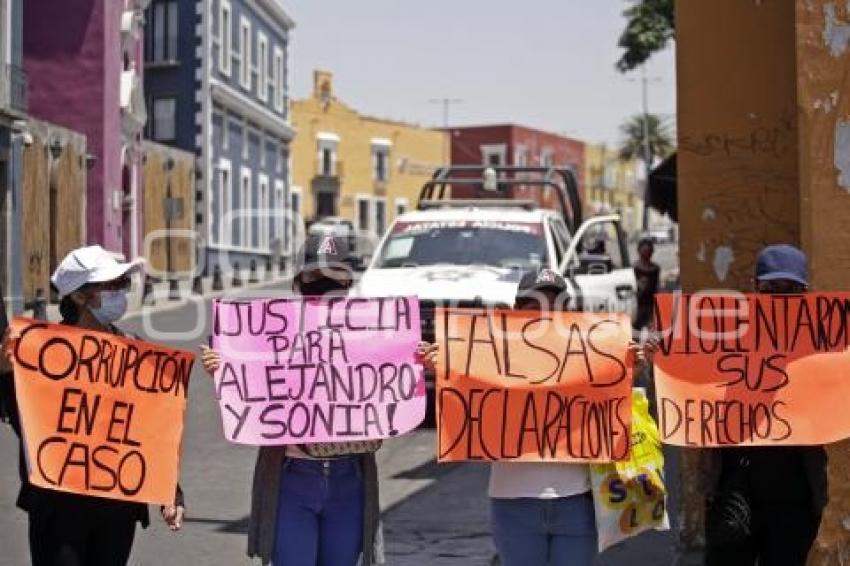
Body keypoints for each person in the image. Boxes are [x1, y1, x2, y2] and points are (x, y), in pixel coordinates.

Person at [200, 234, 437, 566]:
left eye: (336, 275)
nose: (326, 283)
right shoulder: (271, 333)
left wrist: (421, 361)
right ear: (298, 281)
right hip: (290, 478)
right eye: (315, 275)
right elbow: (248, 382)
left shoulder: (371, 331)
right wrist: (224, 371)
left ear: (349, 280)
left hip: (350, 479)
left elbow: (392, 379)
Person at [0, 245, 184, 566]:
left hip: (117, 508)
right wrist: (6, 374)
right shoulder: (43, 356)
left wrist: (170, 490)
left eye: (122, 285)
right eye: (110, 285)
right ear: (79, 296)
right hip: (58, 508)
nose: (120, 293)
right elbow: (24, 423)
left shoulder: (135, 351)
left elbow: (150, 432)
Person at [489, 268, 647, 566]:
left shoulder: (585, 355)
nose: (545, 317)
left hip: (577, 502)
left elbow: (608, 416)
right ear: (515, 313)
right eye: (534, 307)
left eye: (555, 308)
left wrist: (628, 373)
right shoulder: (494, 356)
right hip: (513, 505)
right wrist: (444, 369)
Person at [704, 244, 827, 566]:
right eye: (772, 289)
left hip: (794, 495)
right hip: (735, 487)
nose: (780, 300)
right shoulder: (724, 338)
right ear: (754, 290)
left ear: (805, 294)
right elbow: (687, 373)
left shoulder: (821, 343)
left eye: (791, 291)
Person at [633, 237, 661, 331]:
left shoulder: (655, 269)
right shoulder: (634, 268)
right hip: (638, 305)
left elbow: (657, 287)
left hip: (650, 305)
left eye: (648, 251)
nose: (646, 254)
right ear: (639, 251)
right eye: (644, 251)